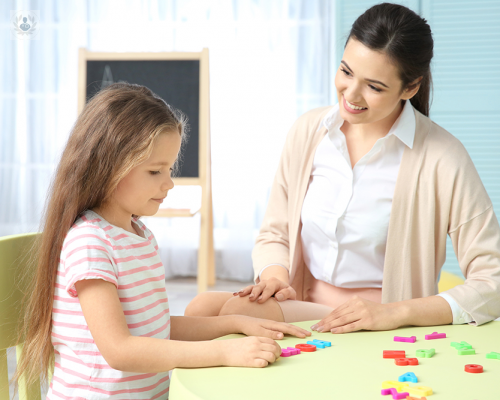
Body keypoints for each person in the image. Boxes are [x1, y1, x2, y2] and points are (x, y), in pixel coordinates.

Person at [185, 3, 500, 333]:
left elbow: (492, 282)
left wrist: (396, 313)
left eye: (374, 87)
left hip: (380, 318)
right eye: (346, 71)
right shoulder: (309, 131)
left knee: (233, 311)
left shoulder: (442, 157)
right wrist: (276, 279)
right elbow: (275, 232)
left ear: (410, 87)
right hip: (307, 303)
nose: (351, 94)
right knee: (200, 308)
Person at [12, 82, 311, 400]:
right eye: (155, 171)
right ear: (108, 167)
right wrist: (223, 354)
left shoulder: (140, 236)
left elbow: (154, 327)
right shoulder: (90, 242)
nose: (169, 183)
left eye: (169, 169)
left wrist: (234, 322)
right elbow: (120, 350)